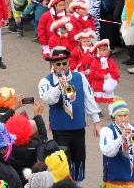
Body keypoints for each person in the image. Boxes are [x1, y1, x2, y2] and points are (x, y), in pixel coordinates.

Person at [38, 47, 101, 182]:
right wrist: (58, 87)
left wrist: (96, 122)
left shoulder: (80, 77)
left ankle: (77, 184)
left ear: (69, 62)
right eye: (58, 64)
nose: (62, 67)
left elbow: (89, 98)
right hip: (60, 129)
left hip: (78, 127)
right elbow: (48, 99)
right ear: (52, 65)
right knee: (64, 163)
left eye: (64, 63)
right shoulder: (46, 81)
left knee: (79, 161)